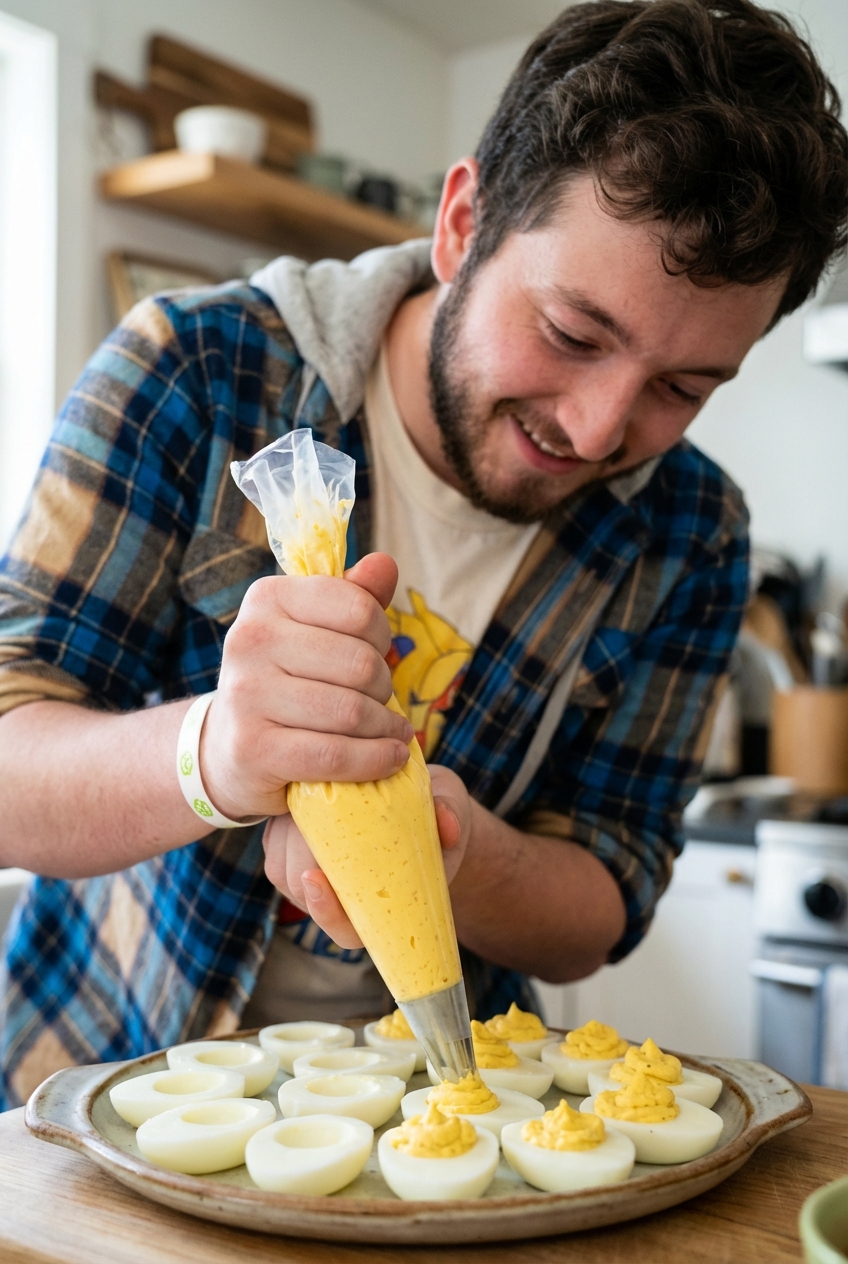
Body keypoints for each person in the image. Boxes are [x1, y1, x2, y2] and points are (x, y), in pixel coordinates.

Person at [0, 0, 845, 1110]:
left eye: (682, 388)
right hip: (102, 1095)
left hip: (454, 1129)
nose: (596, 432)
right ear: (460, 224)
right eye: (571, 334)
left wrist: (449, 844)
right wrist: (216, 752)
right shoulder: (194, 372)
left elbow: (607, 891)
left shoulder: (693, 532)